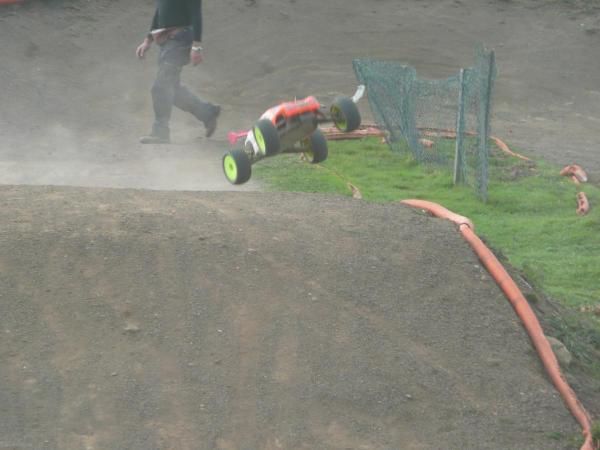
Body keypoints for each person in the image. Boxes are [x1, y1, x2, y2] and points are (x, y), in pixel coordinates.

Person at [136, 0, 220, 144]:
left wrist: (196, 47)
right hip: (167, 41)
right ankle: (208, 113)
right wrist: (147, 40)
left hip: (181, 39)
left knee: (161, 87)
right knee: (172, 90)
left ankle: (160, 132)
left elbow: (196, 14)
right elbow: (159, 12)